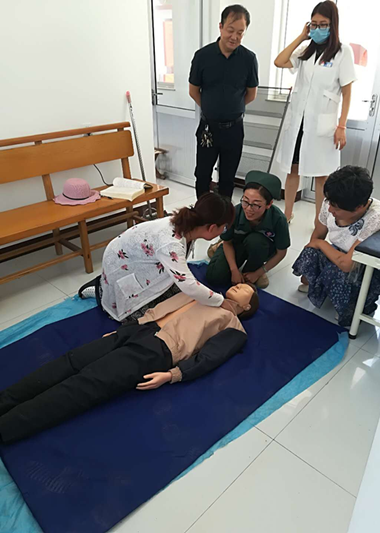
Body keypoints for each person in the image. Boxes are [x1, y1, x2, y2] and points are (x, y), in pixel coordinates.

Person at [0, 283, 259, 443]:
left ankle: (7, 426)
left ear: (247, 306)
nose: (239, 285)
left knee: (85, 385)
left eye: (246, 288)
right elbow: (161, 308)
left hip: (160, 349)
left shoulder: (233, 326)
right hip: (138, 329)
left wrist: (173, 374)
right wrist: (124, 330)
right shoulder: (204, 293)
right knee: (70, 362)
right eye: (240, 283)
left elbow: (209, 358)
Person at [79, 193, 235, 323]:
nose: (224, 231)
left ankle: (107, 287)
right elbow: (189, 285)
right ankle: (101, 292)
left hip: (134, 258)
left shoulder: (187, 226)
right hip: (120, 264)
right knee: (146, 318)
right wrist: (221, 301)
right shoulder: (171, 243)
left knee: (180, 297)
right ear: (212, 227)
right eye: (224, 227)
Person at [274, 1, 356, 224]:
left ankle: (319, 222)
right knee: (293, 170)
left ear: (333, 24)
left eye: (323, 24)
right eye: (314, 24)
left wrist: (342, 126)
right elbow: (279, 61)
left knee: (322, 175)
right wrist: (302, 37)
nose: (318, 29)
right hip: (299, 122)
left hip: (322, 125)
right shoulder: (305, 51)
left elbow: (347, 92)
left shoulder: (342, 52)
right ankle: (287, 214)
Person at [293, 166, 380, 327]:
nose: (329, 209)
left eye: (336, 208)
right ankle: (326, 289)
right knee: (312, 252)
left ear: (359, 207)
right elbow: (317, 235)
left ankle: (352, 303)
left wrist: (321, 244)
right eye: (329, 202)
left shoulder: (377, 218)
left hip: (362, 265)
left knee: (340, 273)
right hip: (339, 252)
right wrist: (310, 271)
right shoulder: (332, 201)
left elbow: (348, 264)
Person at [189, 4, 259, 199]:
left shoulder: (249, 59)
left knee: (228, 178)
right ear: (220, 27)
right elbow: (193, 91)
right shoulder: (202, 56)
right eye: (230, 30)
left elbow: (251, 94)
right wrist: (211, 109)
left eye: (240, 32)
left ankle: (224, 215)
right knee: (202, 175)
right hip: (208, 128)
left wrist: (231, 108)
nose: (234, 37)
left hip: (234, 129)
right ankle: (202, 214)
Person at [206, 172, 290, 289]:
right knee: (214, 277)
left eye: (256, 205)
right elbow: (228, 242)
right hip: (236, 245)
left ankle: (255, 268)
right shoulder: (236, 212)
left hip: (260, 249)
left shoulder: (278, 219)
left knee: (256, 242)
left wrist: (258, 273)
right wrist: (234, 270)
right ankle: (218, 246)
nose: (249, 209)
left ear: (269, 204)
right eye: (245, 201)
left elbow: (281, 253)